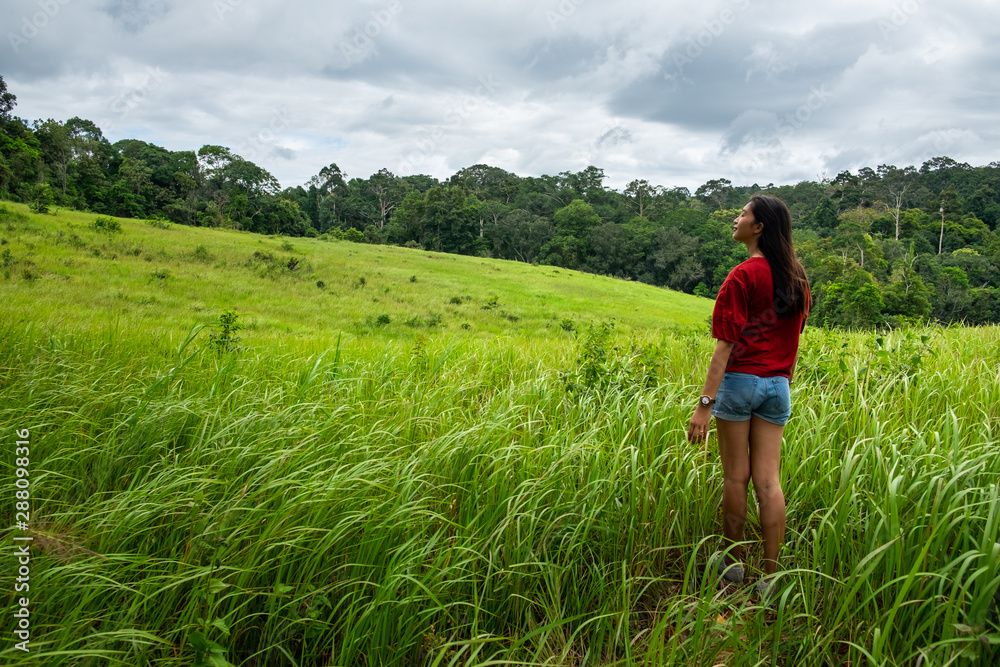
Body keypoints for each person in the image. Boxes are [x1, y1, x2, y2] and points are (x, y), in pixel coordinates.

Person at [686, 194, 810, 602]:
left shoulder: (742, 276)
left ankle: (734, 565)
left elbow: (724, 348)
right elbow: (793, 336)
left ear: (758, 228)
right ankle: (772, 579)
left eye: (743, 214)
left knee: (735, 477)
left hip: (740, 383)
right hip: (778, 386)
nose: (736, 218)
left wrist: (704, 405)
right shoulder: (797, 278)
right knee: (769, 482)